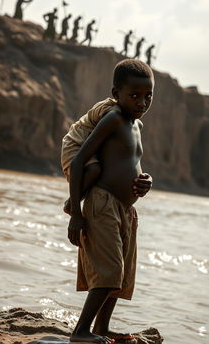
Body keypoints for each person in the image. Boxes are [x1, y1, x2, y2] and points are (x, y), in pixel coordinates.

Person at [64, 59, 154, 344]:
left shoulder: (135, 124)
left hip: (124, 208)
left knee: (121, 274)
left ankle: (101, 328)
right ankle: (80, 331)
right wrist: (75, 213)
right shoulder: (114, 118)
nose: (142, 102)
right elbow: (80, 161)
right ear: (116, 93)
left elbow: (129, 162)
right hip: (102, 202)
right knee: (110, 271)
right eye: (134, 95)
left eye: (148, 95)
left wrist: (145, 182)